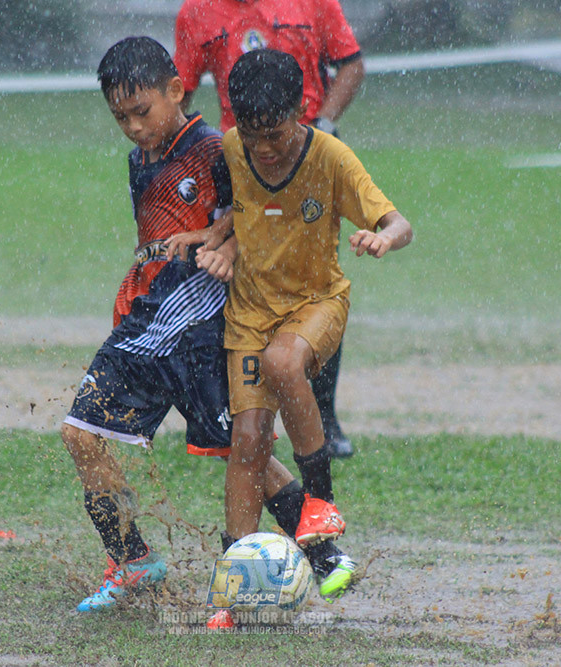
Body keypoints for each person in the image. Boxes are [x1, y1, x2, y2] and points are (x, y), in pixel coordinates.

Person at [60, 36, 355, 614]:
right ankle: (133, 558)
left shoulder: (217, 151)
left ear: (176, 91)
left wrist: (229, 249)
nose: (133, 127)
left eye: (141, 111)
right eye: (120, 117)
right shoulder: (138, 159)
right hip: (148, 326)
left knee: (240, 452)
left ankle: (323, 555)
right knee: (80, 433)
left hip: (201, 336)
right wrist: (135, 283)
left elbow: (258, 222)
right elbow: (156, 237)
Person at [197, 49, 412, 628]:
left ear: (303, 109)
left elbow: (399, 222)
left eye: (277, 132)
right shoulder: (231, 149)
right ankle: (231, 588)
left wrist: (384, 239)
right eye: (253, 134)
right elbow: (234, 216)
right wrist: (215, 245)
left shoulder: (331, 157)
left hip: (318, 302)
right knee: (246, 443)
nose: (265, 148)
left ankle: (321, 502)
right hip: (248, 313)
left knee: (285, 361)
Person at [173, 0, 366, 458]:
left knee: (315, 284)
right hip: (236, 162)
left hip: (301, 159)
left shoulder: (315, 3)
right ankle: (237, 416)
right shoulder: (196, 12)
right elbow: (179, 91)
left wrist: (323, 124)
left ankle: (324, 416)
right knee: (227, 284)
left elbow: (351, 66)